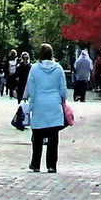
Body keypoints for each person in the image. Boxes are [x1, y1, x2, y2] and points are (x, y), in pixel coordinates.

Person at [24, 44, 70, 173]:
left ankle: (35, 163)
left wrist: (31, 106)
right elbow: (63, 89)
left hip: (39, 103)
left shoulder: (34, 69)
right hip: (54, 103)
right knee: (53, 136)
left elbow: (31, 88)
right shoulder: (58, 68)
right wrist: (62, 101)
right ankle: (51, 165)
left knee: (37, 135)